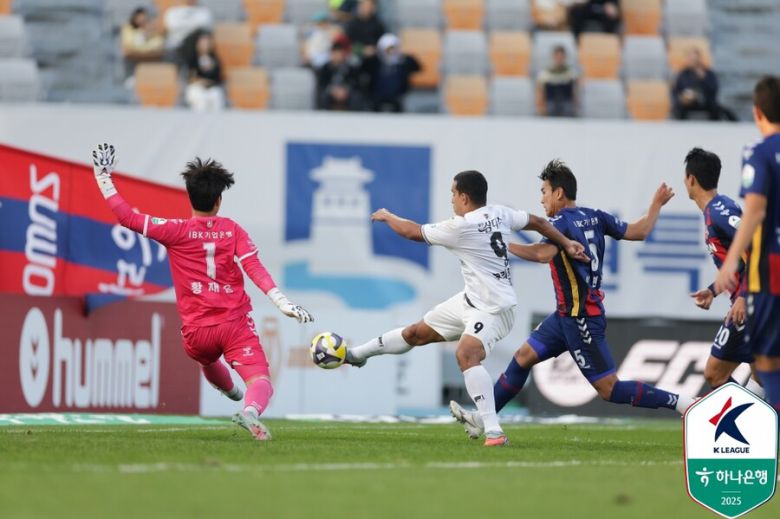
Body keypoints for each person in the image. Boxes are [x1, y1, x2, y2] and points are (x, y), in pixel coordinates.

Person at [449, 161, 695, 439]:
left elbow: (542, 254)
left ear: (559, 193)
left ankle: (683, 403)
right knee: (522, 358)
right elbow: (640, 231)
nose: (541, 199)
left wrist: (500, 245)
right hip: (565, 316)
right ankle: (484, 419)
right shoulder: (595, 216)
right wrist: (656, 204)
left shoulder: (560, 223)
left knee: (609, 389)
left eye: (544, 192)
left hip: (581, 319)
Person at [343, 170, 589, 446]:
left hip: (494, 309)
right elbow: (539, 222)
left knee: (466, 353)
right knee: (415, 333)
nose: (451, 199)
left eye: (453, 194)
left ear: (464, 197)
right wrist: (566, 243)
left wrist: (388, 216)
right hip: (469, 300)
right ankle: (357, 355)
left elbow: (412, 232)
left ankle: (494, 431)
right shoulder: (500, 213)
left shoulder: (461, 227)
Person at [91, 144, 313, 440]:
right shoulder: (232, 230)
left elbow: (128, 217)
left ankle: (230, 391)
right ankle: (249, 410)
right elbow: (254, 267)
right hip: (234, 325)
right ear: (219, 201)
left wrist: (103, 177)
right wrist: (281, 302)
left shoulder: (175, 231)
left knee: (206, 360)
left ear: (190, 197)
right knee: (260, 380)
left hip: (196, 332)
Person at [715, 76, 780, 419]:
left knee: (766, 362)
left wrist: (729, 265)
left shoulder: (758, 152)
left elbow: (754, 209)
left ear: (757, 112)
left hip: (770, 272)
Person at [685, 148, 765, 396]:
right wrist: (713, 290)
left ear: (691, 179)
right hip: (756, 298)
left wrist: (743, 296)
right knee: (760, 375)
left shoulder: (720, 212)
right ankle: (754, 417)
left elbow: (756, 245)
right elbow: (738, 261)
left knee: (714, 373)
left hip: (752, 301)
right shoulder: (717, 210)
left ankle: (745, 414)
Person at [360, 33, 420, 112]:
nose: (391, 51)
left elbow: (417, 67)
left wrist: (407, 57)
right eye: (388, 49)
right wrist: (368, 57)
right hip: (376, 99)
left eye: (393, 48)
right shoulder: (374, 62)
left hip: (398, 98)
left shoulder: (403, 62)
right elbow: (362, 69)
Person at [672, 48, 719, 121]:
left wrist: (704, 79)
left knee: (715, 108)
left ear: (699, 59)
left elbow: (714, 89)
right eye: (691, 59)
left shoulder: (708, 73)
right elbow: (676, 90)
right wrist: (681, 98)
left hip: (704, 102)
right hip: (687, 103)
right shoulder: (683, 74)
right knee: (677, 108)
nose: (693, 61)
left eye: (695, 59)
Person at [184, 31, 225, 112]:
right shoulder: (193, 59)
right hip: (197, 87)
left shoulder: (215, 60)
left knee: (216, 94)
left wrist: (209, 78)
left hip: (211, 88)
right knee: (199, 97)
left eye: (207, 43)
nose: (205, 45)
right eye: (203, 43)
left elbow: (218, 77)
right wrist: (201, 81)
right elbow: (191, 77)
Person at [316, 41, 362, 110]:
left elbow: (354, 82)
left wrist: (345, 90)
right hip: (331, 91)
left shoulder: (350, 68)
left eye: (339, 54)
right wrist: (332, 90)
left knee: (356, 97)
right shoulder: (325, 68)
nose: (337, 56)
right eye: (335, 54)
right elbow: (322, 83)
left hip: (346, 91)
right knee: (323, 96)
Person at [120, 7, 164, 77]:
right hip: (133, 65)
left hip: (151, 65)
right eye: (140, 18)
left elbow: (159, 45)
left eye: (144, 18)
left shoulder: (152, 31)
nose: (142, 20)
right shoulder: (129, 29)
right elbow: (131, 46)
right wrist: (145, 36)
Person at [537, 46, 577, 117]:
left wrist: (575, 105)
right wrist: (541, 106)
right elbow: (540, 91)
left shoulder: (571, 73)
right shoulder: (545, 73)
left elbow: (574, 91)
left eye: (561, 57)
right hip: (550, 103)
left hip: (566, 103)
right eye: (557, 56)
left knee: (568, 108)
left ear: (565, 57)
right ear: (553, 57)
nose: (559, 59)